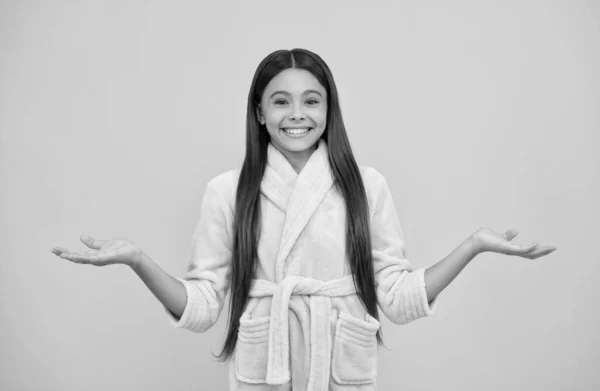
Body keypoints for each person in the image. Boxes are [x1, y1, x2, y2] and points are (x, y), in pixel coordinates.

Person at [50, 48, 557, 391]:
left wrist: (472, 246)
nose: (298, 114)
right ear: (259, 113)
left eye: (312, 100)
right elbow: (204, 307)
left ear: (329, 109)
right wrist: (136, 260)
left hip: (340, 367)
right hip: (263, 369)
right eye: (281, 101)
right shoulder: (227, 192)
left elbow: (398, 300)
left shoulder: (366, 185)